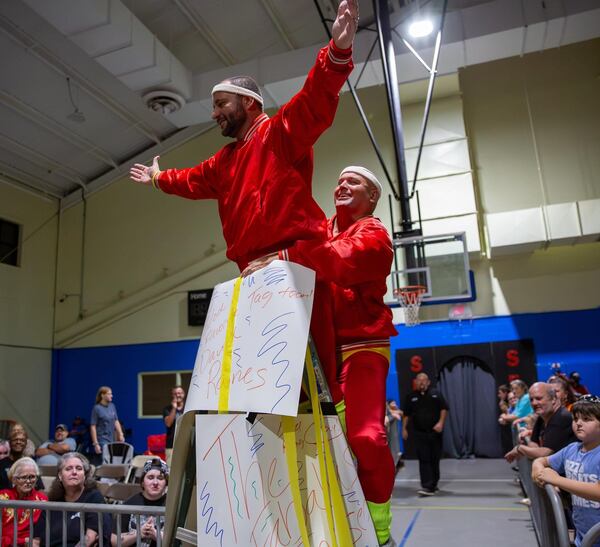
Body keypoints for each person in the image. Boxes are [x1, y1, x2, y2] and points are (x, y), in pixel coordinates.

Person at [129, 0, 358, 405]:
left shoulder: (278, 134)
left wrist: (336, 54)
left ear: (248, 103)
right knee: (269, 385)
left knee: (316, 385)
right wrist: (159, 177)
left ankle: (333, 454)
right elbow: (191, 179)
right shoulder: (225, 161)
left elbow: (315, 100)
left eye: (221, 104)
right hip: (252, 276)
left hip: (295, 264)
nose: (215, 113)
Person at [245, 165, 397, 545]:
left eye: (354, 182)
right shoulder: (323, 231)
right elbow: (303, 250)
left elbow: (339, 261)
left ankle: (379, 528)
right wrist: (276, 256)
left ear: (372, 196)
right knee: (321, 441)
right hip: (319, 349)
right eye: (340, 180)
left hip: (363, 346)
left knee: (367, 437)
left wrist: (284, 255)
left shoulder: (375, 234)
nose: (343, 184)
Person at [533, 395, 600, 547]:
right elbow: (542, 460)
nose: (579, 424)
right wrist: (537, 468)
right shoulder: (571, 449)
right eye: (575, 419)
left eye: (587, 419)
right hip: (582, 537)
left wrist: (556, 480)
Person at [33, 452, 111, 546]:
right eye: (68, 469)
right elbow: (36, 540)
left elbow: (89, 538)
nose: (74, 472)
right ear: (60, 476)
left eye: (79, 468)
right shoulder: (52, 501)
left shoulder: (94, 497)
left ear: (84, 475)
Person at [505, 382, 576, 464]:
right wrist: (532, 451)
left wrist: (520, 449)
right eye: (531, 400)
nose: (534, 403)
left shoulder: (562, 417)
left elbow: (546, 452)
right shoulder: (542, 417)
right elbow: (533, 443)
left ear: (553, 399)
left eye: (539, 398)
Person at [402, 373, 448, 497]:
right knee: (423, 459)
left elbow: (444, 408)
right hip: (419, 433)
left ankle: (434, 484)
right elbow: (406, 414)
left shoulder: (436, 394)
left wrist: (440, 423)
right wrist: (404, 429)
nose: (422, 382)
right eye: (419, 380)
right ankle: (427, 486)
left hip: (434, 433)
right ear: (416, 382)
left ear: (428, 382)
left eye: (424, 380)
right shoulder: (411, 397)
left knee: (434, 458)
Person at [111, 458, 168, 547]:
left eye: (160, 478)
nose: (155, 482)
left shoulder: (172, 505)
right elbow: (114, 541)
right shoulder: (129, 504)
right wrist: (139, 533)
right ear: (142, 482)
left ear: (166, 483)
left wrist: (156, 535)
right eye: (150, 477)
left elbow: (179, 541)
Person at [0, 457, 47, 546]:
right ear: (14, 479)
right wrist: (22, 541)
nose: (28, 481)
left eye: (32, 477)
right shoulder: (2, 497)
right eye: (24, 477)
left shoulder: (42, 500)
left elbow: (41, 535)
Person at [90, 386, 124, 465]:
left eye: (111, 394)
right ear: (102, 395)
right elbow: (93, 426)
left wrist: (120, 434)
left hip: (112, 439)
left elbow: (116, 421)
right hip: (102, 439)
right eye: (109, 394)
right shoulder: (96, 408)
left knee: (112, 460)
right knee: (106, 461)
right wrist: (96, 444)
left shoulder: (112, 406)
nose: (111, 396)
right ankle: (104, 476)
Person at [163, 386, 185, 467]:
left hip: (186, 444)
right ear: (172, 395)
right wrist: (174, 408)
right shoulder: (167, 409)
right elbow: (168, 423)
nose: (178, 395)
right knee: (171, 470)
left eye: (179, 393)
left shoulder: (188, 408)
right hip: (171, 445)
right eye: (175, 393)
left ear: (183, 394)